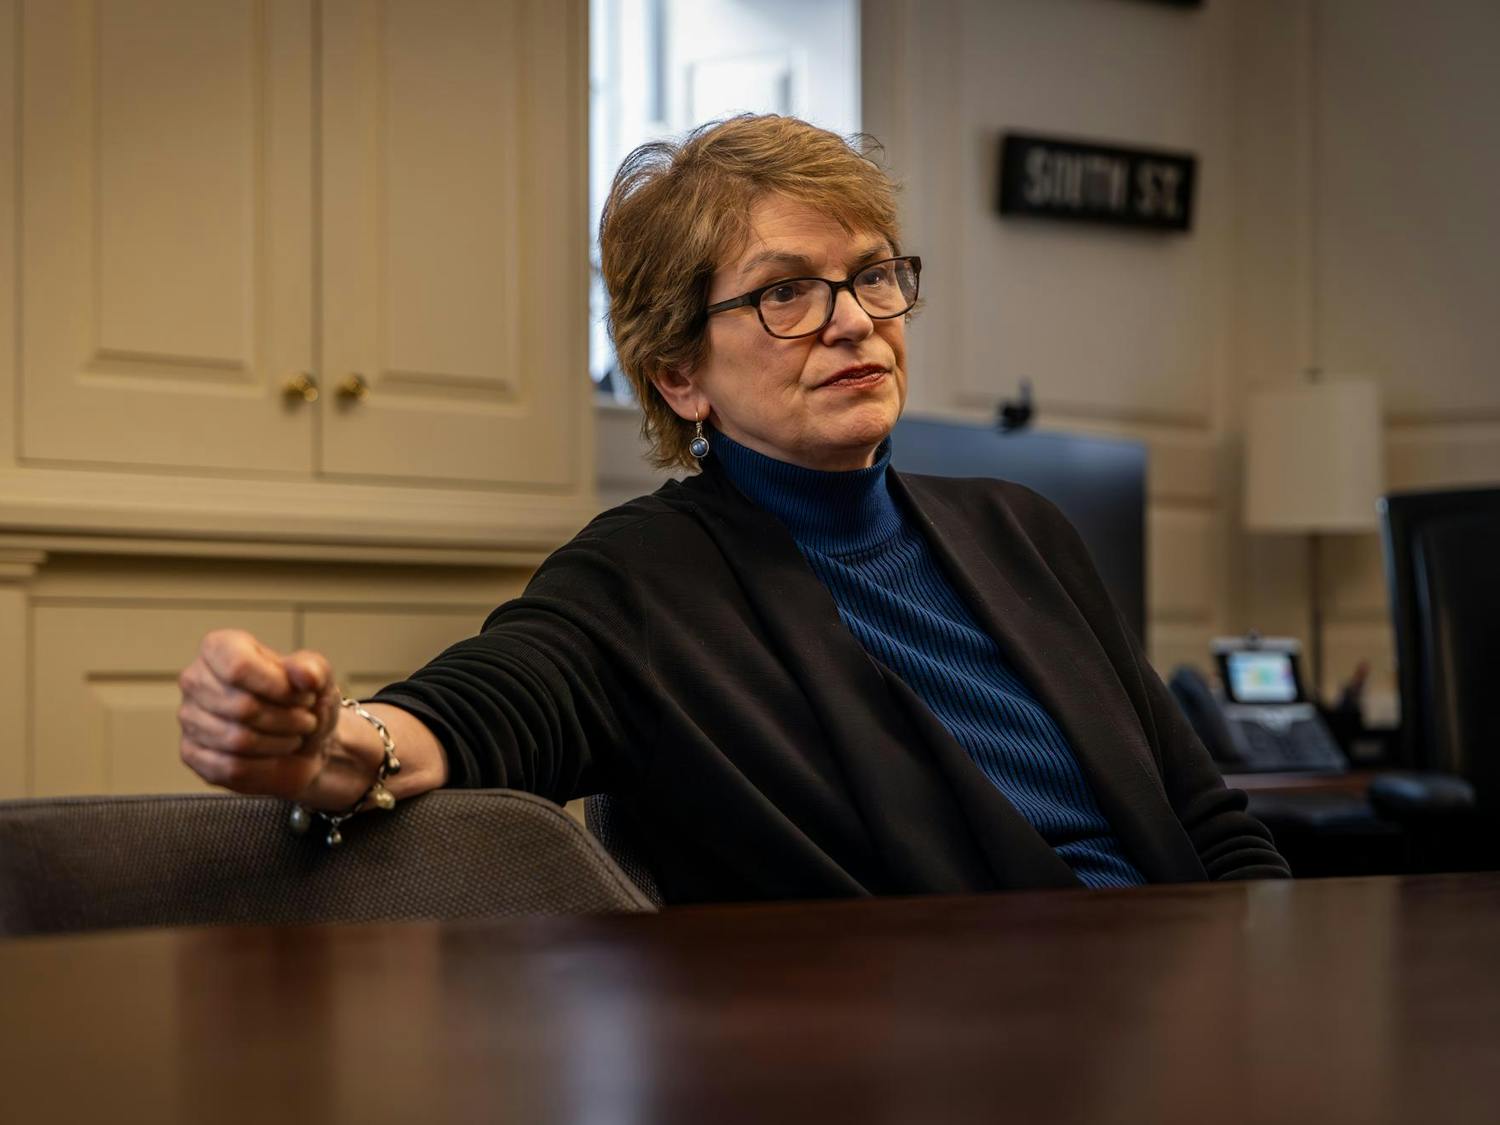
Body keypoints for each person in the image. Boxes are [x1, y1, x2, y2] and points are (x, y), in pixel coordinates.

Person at [177, 115, 1288, 901]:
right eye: (786, 292)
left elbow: (1208, 824)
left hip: (1186, 999)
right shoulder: (641, 582)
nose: (854, 320)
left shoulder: (1021, 528)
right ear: (679, 377)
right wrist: (321, 742)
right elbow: (466, 721)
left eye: (872, 275)